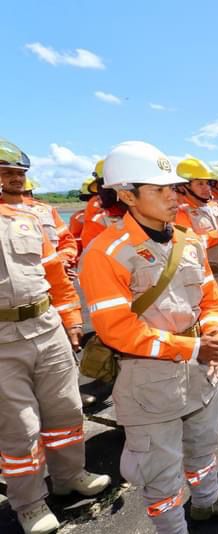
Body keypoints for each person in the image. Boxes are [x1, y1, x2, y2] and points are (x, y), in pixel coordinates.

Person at [79, 141, 218, 533]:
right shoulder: (106, 252)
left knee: (204, 446)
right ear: (126, 195)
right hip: (148, 379)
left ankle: (207, 502)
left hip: (202, 370)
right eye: (158, 190)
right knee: (160, 468)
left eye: (172, 187)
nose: (172, 196)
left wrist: (212, 339)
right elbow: (118, 330)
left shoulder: (188, 241)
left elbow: (212, 299)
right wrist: (196, 347)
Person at [0, 139, 111, 534]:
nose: (16, 178)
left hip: (47, 329)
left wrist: (73, 320)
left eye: (20, 173)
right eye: (7, 171)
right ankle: (29, 503)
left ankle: (69, 476)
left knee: (65, 410)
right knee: (19, 428)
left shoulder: (28, 219)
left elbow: (55, 277)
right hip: (3, 343)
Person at [175, 157, 218, 291]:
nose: (206, 188)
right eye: (200, 184)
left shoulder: (211, 206)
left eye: (207, 183)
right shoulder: (179, 213)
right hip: (205, 284)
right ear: (182, 187)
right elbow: (190, 244)